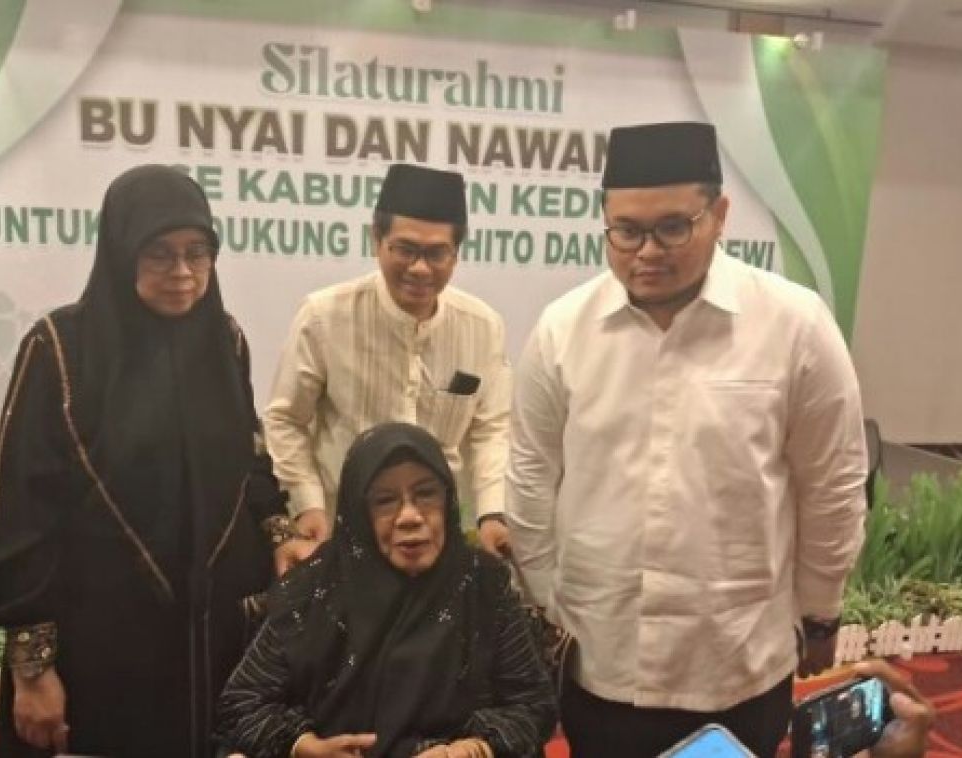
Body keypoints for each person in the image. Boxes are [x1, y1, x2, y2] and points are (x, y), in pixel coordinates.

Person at [506, 122, 867, 757]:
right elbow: (532, 474)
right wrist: (543, 604)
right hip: (601, 656)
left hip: (735, 658)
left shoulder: (795, 325)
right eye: (625, 230)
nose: (646, 251)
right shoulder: (563, 329)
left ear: (719, 215)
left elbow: (832, 484)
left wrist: (820, 612)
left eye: (673, 227)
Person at [0, 165, 314, 758]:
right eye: (159, 254)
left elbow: (248, 455)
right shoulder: (60, 348)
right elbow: (23, 513)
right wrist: (33, 669)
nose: (182, 273)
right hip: (97, 645)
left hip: (208, 643)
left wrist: (279, 531)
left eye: (197, 253)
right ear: (121, 251)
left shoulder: (223, 340)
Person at [215, 423, 556, 758]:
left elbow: (533, 705)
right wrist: (308, 747)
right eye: (385, 500)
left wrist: (470, 751)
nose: (409, 516)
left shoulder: (483, 585)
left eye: (426, 493)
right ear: (358, 513)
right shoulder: (314, 591)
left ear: (448, 500)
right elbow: (242, 702)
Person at [264, 163, 512, 556]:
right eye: (405, 249)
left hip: (435, 539)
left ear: (456, 254)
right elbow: (285, 419)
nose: (420, 268)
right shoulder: (324, 316)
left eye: (436, 253)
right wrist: (308, 504)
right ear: (376, 240)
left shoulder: (483, 326)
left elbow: (491, 429)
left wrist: (492, 513)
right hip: (342, 533)